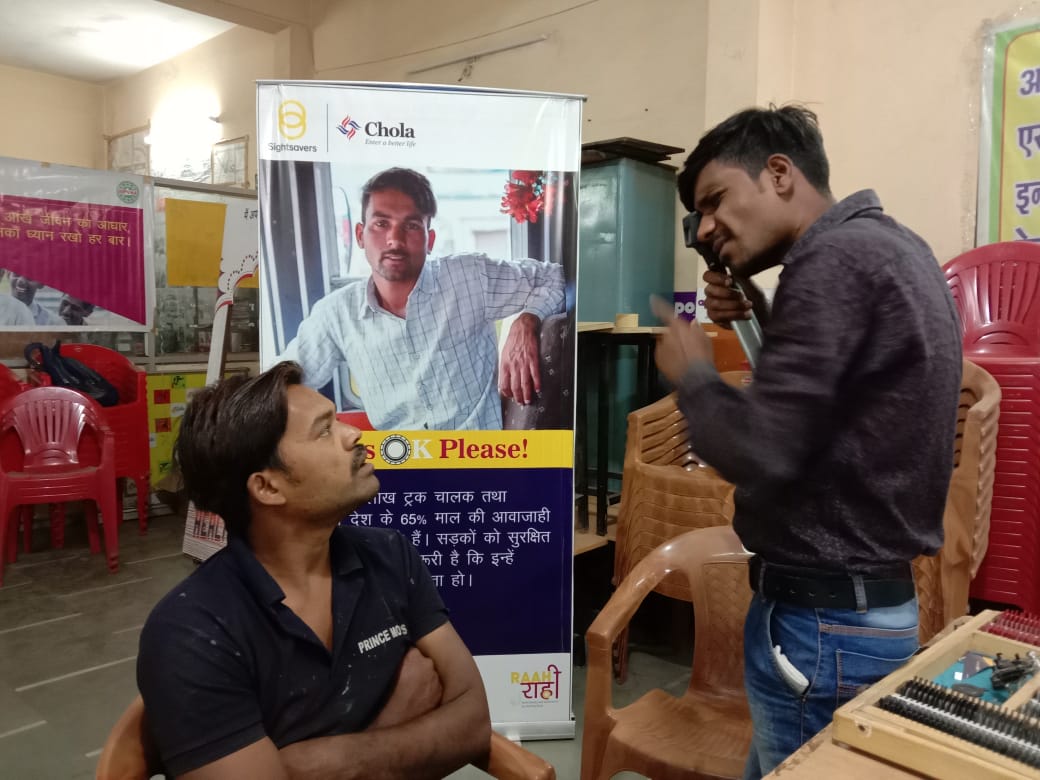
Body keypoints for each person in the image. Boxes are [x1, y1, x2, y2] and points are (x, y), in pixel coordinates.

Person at [652, 105, 962, 778]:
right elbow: (825, 409)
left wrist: (694, 375)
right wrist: (757, 312)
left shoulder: (833, 260)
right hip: (855, 614)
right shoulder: (886, 245)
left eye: (715, 201)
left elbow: (762, 449)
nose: (706, 229)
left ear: (779, 173)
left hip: (823, 626)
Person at [137, 361, 491, 778]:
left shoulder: (390, 555)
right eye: (324, 430)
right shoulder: (193, 632)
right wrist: (395, 717)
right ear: (267, 487)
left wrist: (319, 762)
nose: (353, 434)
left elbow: (473, 722)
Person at [282, 167, 566, 430]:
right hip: (397, 461)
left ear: (430, 240)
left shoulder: (470, 276)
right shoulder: (336, 314)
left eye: (411, 225)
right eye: (381, 223)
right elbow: (282, 381)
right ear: (360, 235)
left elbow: (555, 277)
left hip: (477, 457)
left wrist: (527, 320)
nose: (394, 239)